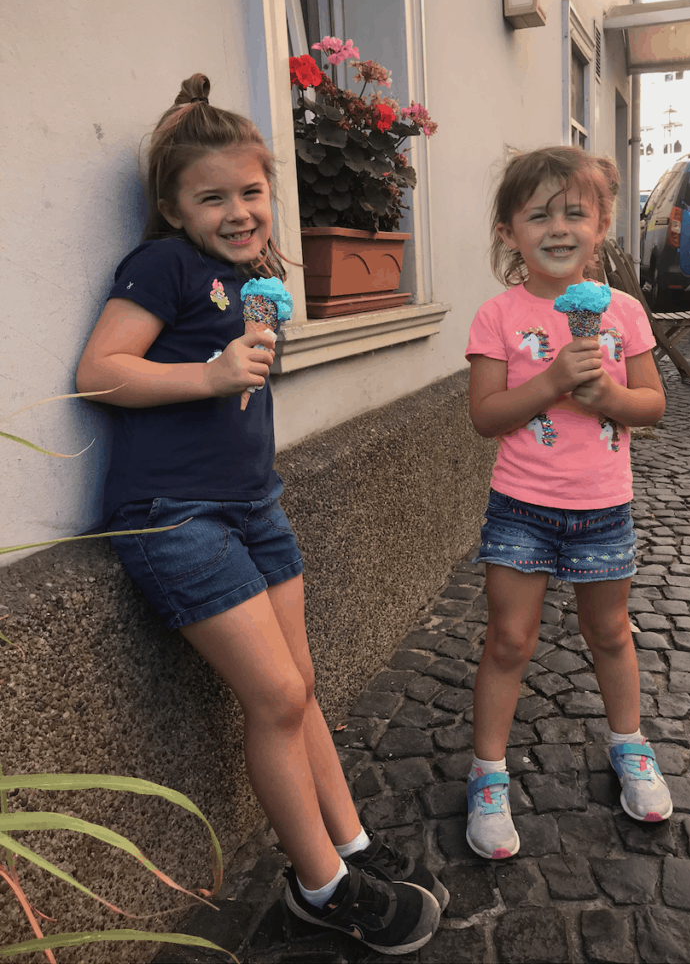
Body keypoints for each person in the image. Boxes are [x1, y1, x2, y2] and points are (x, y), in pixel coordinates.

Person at [76, 73, 445, 953]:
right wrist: (209, 374)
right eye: (213, 197)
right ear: (172, 205)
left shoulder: (254, 276)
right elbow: (99, 370)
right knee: (277, 695)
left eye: (252, 192)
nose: (239, 211)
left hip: (253, 509)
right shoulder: (162, 266)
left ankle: (350, 846)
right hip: (173, 517)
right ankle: (320, 889)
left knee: (303, 685)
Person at [464, 146, 671, 861]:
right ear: (508, 232)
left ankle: (630, 744)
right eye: (538, 214)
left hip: (604, 507)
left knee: (611, 632)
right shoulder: (498, 315)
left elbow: (653, 404)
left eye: (574, 212)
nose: (558, 227)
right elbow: (486, 415)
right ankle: (487, 775)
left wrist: (610, 396)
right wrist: (554, 380)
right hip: (522, 505)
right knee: (509, 641)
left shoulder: (623, 312)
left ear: (603, 224)